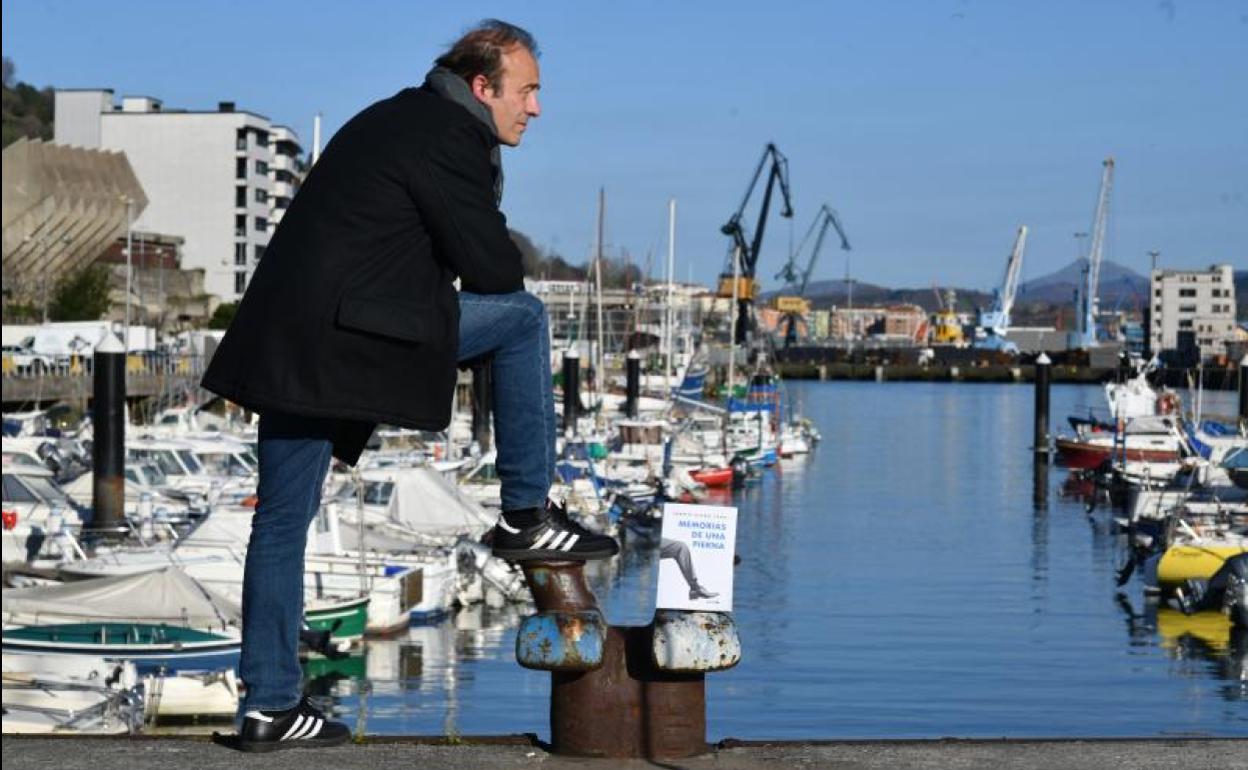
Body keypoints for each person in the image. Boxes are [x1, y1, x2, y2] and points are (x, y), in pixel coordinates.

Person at [201, 20, 618, 752]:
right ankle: (526, 511)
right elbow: (494, 271)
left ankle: (268, 706)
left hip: (293, 342)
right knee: (521, 320)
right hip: (345, 337)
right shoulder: (446, 135)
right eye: (529, 91)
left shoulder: (401, 116)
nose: (537, 108)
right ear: (483, 86)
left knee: (278, 528)